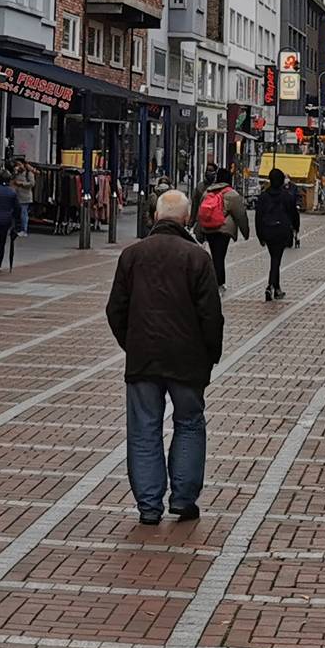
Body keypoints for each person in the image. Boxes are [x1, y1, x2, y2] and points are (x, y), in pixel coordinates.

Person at [106, 189, 224, 525]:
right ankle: (184, 500)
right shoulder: (197, 258)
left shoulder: (132, 255)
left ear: (155, 217)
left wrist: (132, 343)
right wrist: (209, 356)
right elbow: (211, 316)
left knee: (144, 429)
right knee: (188, 424)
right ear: (187, 219)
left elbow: (115, 309)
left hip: (143, 358)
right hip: (187, 359)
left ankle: (148, 506)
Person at [252, 168, 302, 301]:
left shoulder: (263, 196)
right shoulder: (287, 196)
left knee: (275, 258)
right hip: (281, 231)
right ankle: (270, 286)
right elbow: (294, 214)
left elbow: (258, 217)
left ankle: (277, 287)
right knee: (276, 259)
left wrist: (259, 235)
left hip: (267, 231)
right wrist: (296, 228)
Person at [196, 167, 249, 288]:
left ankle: (217, 280)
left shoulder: (207, 192)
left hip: (209, 229)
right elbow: (240, 215)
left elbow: (201, 212)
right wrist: (245, 232)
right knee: (220, 256)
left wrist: (199, 231)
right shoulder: (232, 194)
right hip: (223, 229)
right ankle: (218, 283)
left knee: (216, 254)